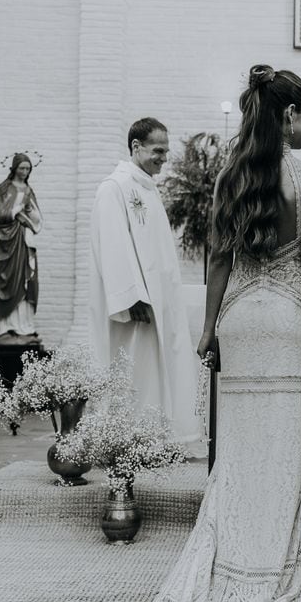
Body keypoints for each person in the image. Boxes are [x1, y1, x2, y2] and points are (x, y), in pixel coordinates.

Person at [91, 67, 301, 602]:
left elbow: (221, 258)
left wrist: (208, 330)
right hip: (290, 323)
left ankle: (236, 548)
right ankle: (279, 547)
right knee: (284, 446)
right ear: (290, 112)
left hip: (241, 321)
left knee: (239, 452)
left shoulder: (233, 174)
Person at [89, 117, 200, 444]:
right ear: (136, 147)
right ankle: (131, 438)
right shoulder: (114, 188)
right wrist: (130, 297)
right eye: (158, 150)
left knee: (155, 366)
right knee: (135, 369)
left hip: (158, 301)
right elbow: (113, 246)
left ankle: (157, 434)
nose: (164, 158)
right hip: (135, 306)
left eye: (166, 151)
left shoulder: (146, 188)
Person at [0, 153, 42, 340]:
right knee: (8, 280)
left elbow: (36, 216)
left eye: (28, 169)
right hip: (7, 243)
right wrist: (16, 210)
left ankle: (24, 326)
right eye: (22, 168)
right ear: (14, 168)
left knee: (26, 279)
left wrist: (28, 214)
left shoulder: (29, 190)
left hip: (24, 240)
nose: (25, 172)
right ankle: (4, 325)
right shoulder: (3, 188)